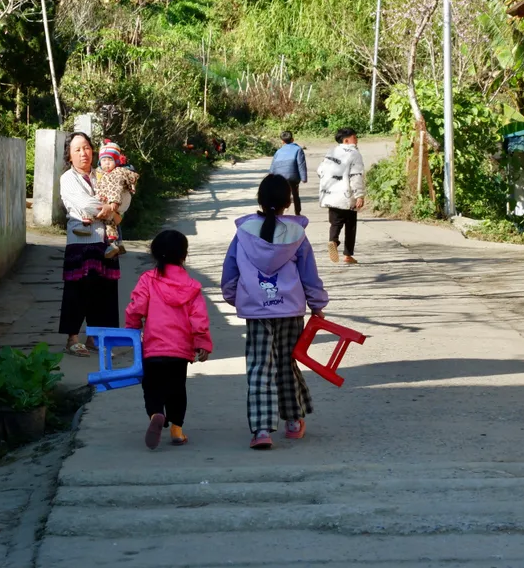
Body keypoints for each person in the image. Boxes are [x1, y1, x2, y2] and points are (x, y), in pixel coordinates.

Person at [221, 174, 329, 450]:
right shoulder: (296, 234)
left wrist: (236, 298)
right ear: (288, 202)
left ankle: (261, 429)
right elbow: (309, 275)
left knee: (259, 366)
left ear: (260, 200)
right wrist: (317, 305)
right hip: (290, 310)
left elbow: (230, 271)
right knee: (286, 363)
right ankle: (292, 421)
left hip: (257, 312)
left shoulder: (244, 233)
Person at [125, 230, 213, 449]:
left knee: (152, 386)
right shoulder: (192, 286)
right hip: (179, 349)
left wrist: (132, 329)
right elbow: (199, 318)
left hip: (153, 347)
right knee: (177, 388)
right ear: (184, 255)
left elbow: (136, 307)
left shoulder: (148, 280)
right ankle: (177, 430)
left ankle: (156, 413)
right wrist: (202, 342)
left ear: (154, 253)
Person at [58, 132, 123, 357]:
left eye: (86, 147)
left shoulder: (103, 175)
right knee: (78, 290)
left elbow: (121, 197)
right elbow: (86, 204)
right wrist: (111, 211)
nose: (83, 153)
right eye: (77, 149)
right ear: (69, 155)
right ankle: (73, 339)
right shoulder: (68, 178)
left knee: (105, 291)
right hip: (81, 242)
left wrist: (113, 209)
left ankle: (97, 338)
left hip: (106, 241)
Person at [317, 127, 366, 265]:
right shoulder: (354, 154)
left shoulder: (331, 152)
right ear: (346, 140)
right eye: (354, 137)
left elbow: (320, 170)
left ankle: (333, 241)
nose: (357, 140)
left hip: (330, 195)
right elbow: (356, 175)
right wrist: (359, 195)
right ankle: (348, 255)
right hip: (347, 196)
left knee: (335, 223)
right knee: (350, 226)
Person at [88, 140, 139, 259]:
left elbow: (118, 188)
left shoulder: (118, 173)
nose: (107, 163)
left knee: (111, 220)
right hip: (108, 202)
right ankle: (118, 243)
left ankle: (114, 243)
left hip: (116, 203)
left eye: (110, 160)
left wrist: (113, 202)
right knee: (111, 221)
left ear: (116, 162)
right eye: (104, 160)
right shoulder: (99, 172)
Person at [268, 131, 308, 216]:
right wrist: (304, 178)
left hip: (279, 177)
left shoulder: (278, 151)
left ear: (282, 141)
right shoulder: (298, 149)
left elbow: (273, 165)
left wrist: (270, 177)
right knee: (295, 194)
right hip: (292, 177)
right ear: (292, 139)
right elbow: (301, 164)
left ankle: (278, 212)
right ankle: (297, 212)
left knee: (279, 195)